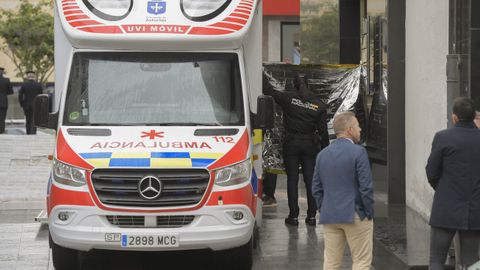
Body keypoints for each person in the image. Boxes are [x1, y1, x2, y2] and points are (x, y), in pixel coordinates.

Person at [263, 72, 329, 226]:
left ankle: (293, 216)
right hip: (310, 145)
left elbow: (269, 91)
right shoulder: (318, 104)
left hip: (291, 143)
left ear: (294, 84)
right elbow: (323, 131)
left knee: (292, 180)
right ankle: (312, 216)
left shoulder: (288, 98)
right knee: (310, 180)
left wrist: (262, 73)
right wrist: (325, 150)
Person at [312, 112, 374, 270]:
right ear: (350, 129)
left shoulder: (322, 155)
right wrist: (368, 213)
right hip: (355, 213)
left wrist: (324, 207)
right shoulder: (359, 152)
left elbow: (316, 188)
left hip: (330, 215)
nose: (360, 129)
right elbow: (366, 187)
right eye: (358, 126)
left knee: (331, 263)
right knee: (361, 262)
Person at [426, 97, 480, 270]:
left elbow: (432, 172)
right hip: (475, 209)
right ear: (474, 116)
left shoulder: (443, 137)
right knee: (470, 261)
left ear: (454, 117)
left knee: (436, 259)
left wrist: (443, 189)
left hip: (446, 206)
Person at [0, 67, 13, 134]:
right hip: (3, 101)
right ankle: (1, 130)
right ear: (2, 72)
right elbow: (11, 92)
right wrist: (4, 93)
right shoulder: (7, 80)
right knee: (2, 117)